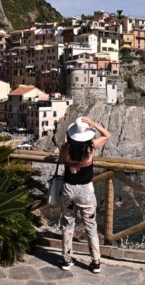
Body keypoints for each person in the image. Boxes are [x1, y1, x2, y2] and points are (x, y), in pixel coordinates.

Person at [58, 116, 110, 273]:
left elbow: (61, 161)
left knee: (67, 224)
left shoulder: (66, 149)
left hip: (68, 189)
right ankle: (95, 262)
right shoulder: (90, 147)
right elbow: (107, 135)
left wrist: (67, 140)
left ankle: (67, 260)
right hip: (85, 190)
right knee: (90, 225)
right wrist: (94, 124)